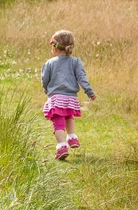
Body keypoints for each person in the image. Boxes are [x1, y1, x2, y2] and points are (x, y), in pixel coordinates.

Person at [41, 30, 96, 160]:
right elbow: (82, 78)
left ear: (55, 47)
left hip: (56, 97)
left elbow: (44, 79)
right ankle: (72, 137)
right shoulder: (76, 62)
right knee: (69, 116)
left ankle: (62, 146)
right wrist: (90, 92)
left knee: (58, 122)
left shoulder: (49, 63)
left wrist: (47, 90)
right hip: (71, 97)